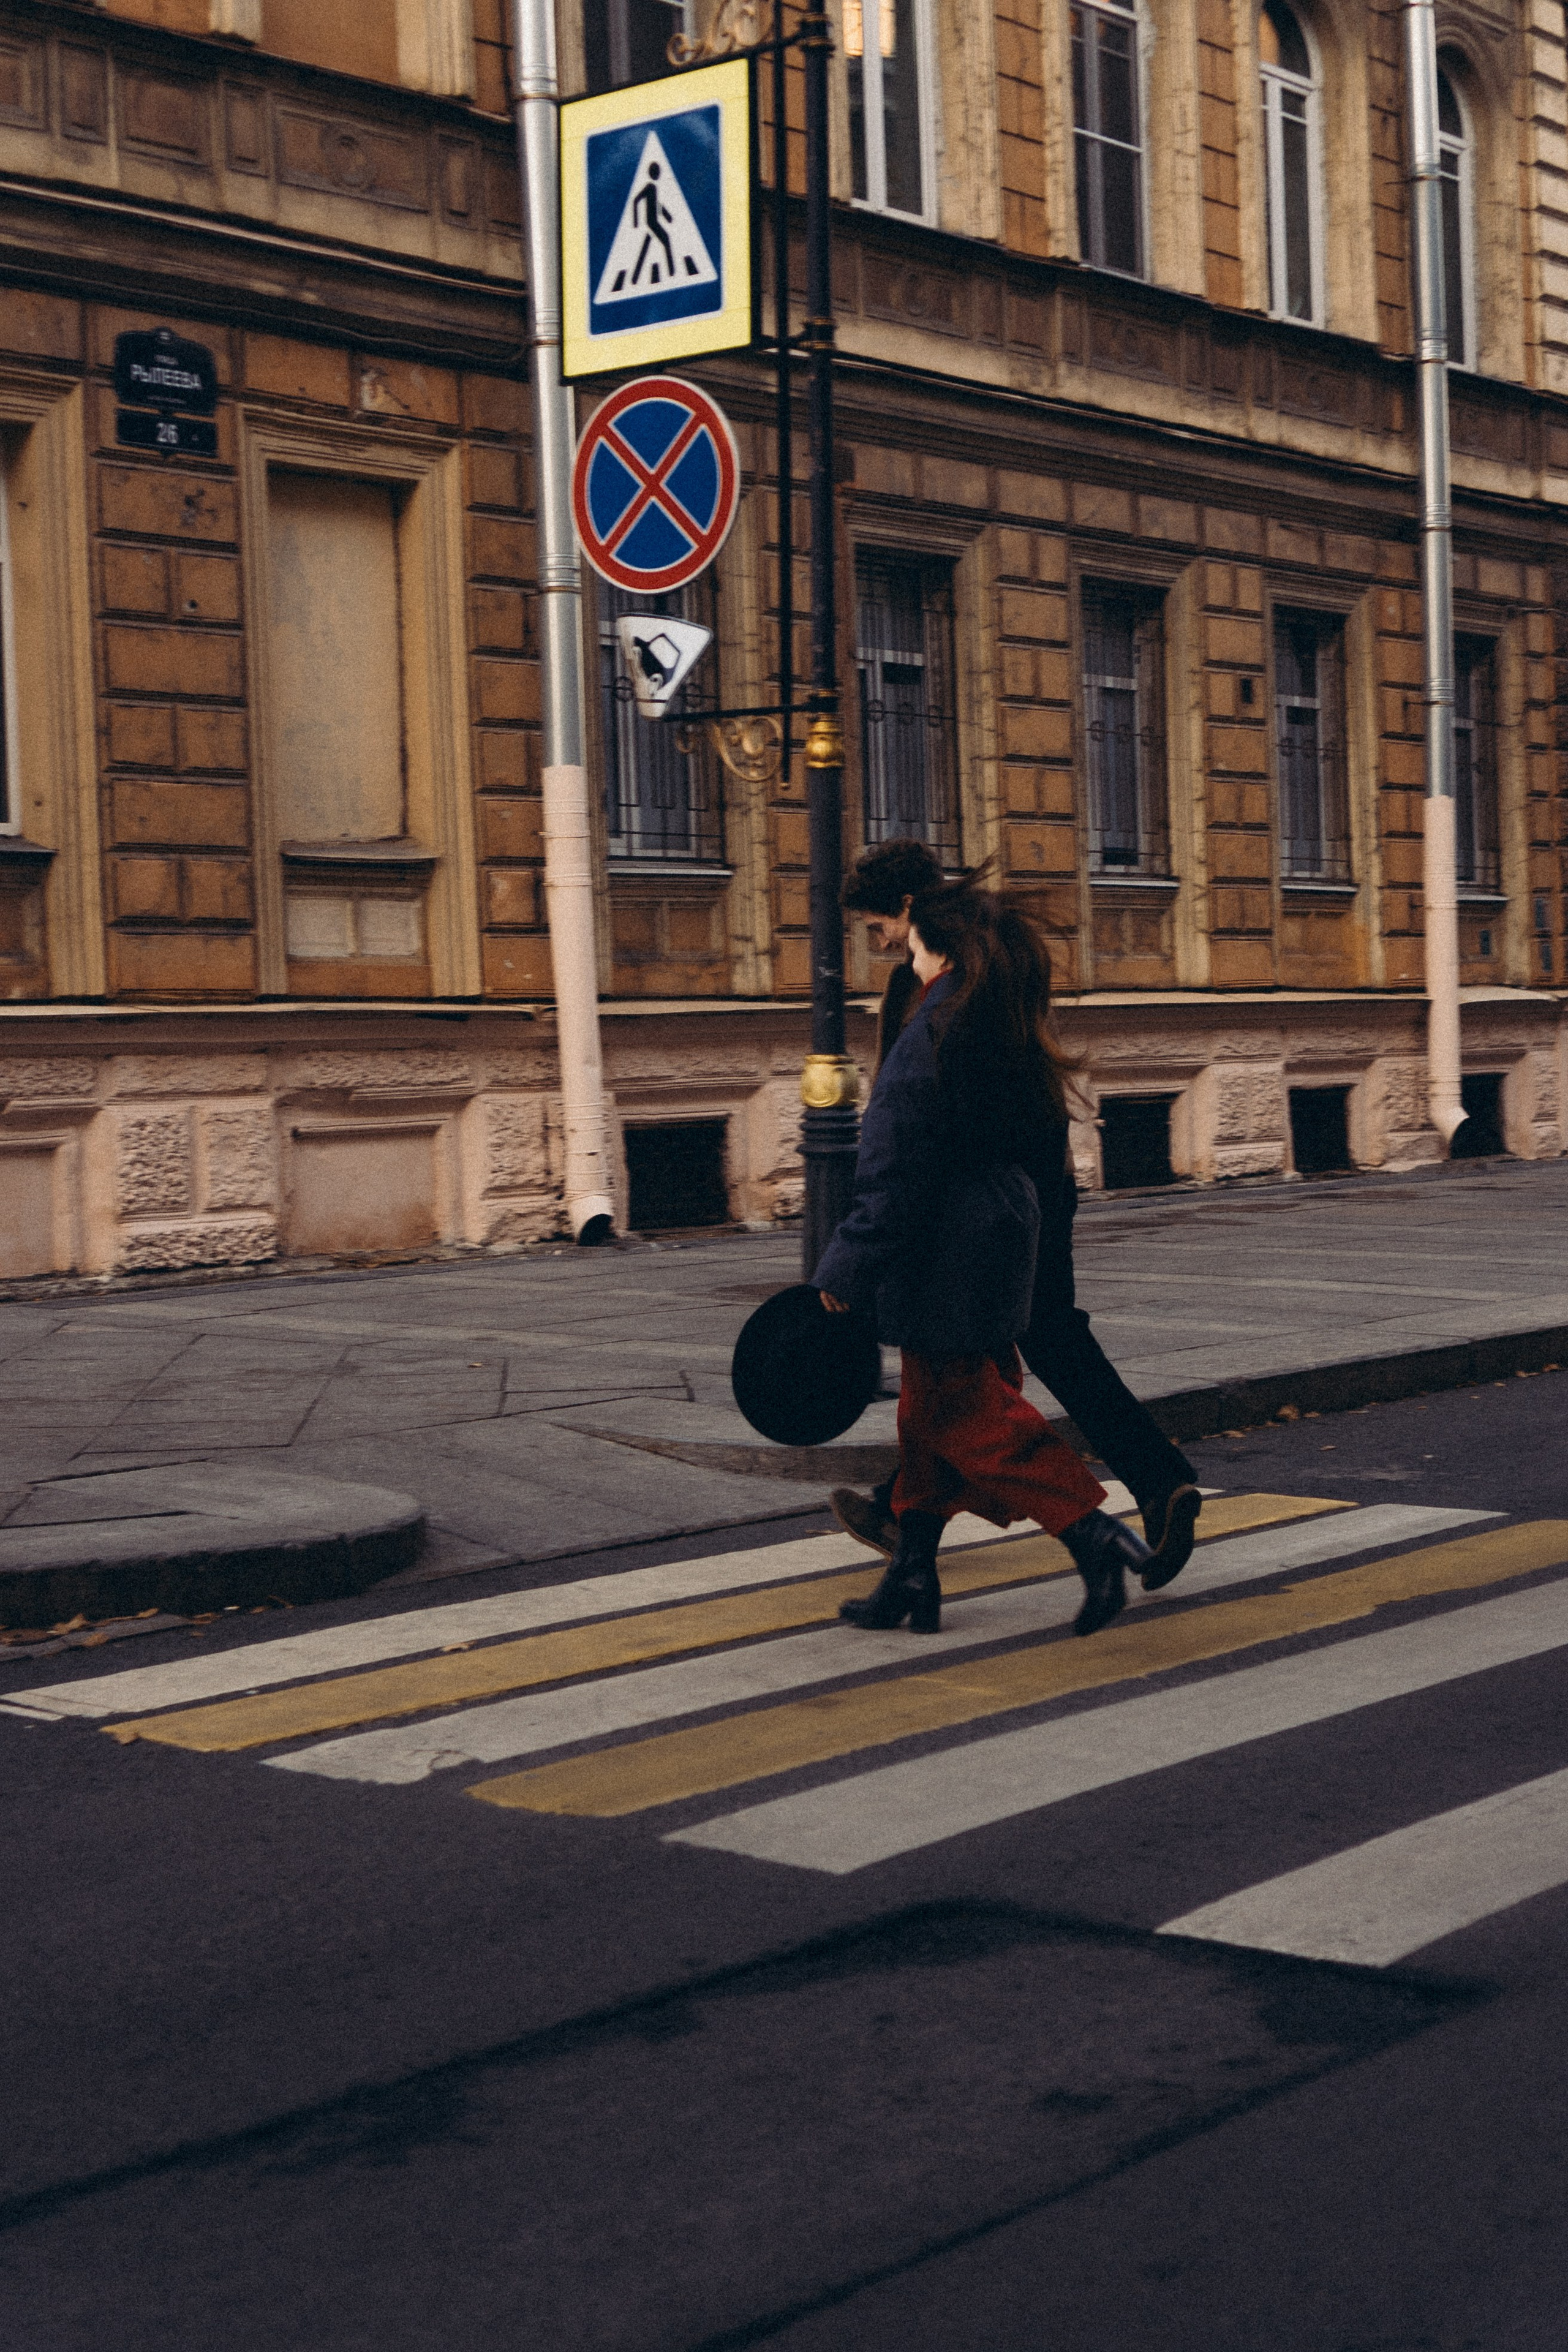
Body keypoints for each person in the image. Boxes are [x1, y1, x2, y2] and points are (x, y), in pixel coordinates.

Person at [834, 839, 1201, 1593]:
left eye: (876, 926)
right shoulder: (986, 957)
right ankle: (905, 1525)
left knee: (986, 1361)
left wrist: (865, 1245)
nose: (875, 944)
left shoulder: (943, 980)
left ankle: (1125, 1502)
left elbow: (912, 1119)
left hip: (980, 1201)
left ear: (905, 908)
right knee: (989, 1356)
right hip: (1030, 1179)